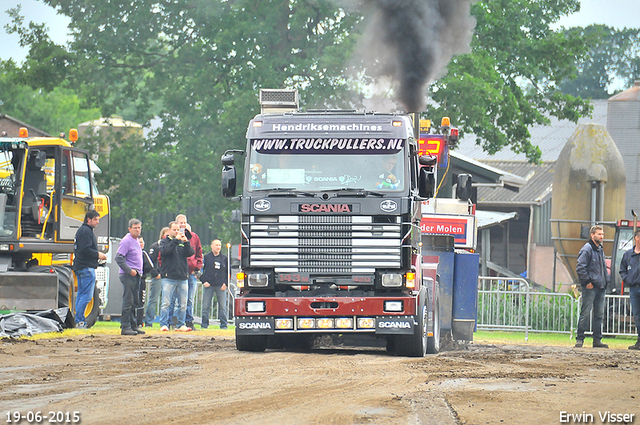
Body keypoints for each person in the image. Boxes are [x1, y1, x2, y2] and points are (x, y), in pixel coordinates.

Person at [575, 225, 610, 348]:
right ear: (592, 235)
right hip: (591, 287)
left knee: (599, 315)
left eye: (602, 234)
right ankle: (580, 339)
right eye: (599, 234)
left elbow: (602, 268)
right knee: (585, 312)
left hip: (601, 286)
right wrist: (587, 282)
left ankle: (597, 340)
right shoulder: (587, 249)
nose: (601, 236)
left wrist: (606, 280)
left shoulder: (600, 249)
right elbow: (580, 267)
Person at [73, 210, 107, 328]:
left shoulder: (82, 231)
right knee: (86, 296)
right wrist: (99, 255)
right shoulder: (86, 231)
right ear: (89, 219)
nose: (98, 222)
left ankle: (78, 320)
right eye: (96, 219)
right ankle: (80, 321)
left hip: (81, 266)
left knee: (81, 294)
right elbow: (85, 249)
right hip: (86, 267)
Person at [159, 221, 194, 332]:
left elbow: (190, 253)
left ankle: (180, 324)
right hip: (168, 277)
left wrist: (186, 242)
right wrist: (175, 241)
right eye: (174, 230)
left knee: (183, 304)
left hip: (182, 277)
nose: (177, 232)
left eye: (178, 229)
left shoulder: (183, 242)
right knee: (166, 303)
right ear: (169, 230)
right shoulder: (164, 241)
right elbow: (165, 251)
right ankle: (164, 324)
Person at [115, 218, 144, 336]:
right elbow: (119, 257)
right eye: (135, 228)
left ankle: (133, 325)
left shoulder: (136, 240)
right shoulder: (126, 241)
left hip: (136, 274)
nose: (137, 230)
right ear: (129, 229)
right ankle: (125, 326)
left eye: (139, 228)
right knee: (128, 301)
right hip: (128, 275)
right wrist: (129, 270)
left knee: (134, 302)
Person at [175, 214, 203, 330]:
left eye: (184, 222)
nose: (182, 225)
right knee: (178, 300)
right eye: (180, 222)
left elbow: (198, 253)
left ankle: (189, 321)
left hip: (191, 273)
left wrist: (197, 267)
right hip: (178, 273)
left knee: (189, 299)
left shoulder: (194, 237)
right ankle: (175, 321)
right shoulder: (173, 237)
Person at [200, 239, 229, 329]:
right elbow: (201, 270)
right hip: (209, 285)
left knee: (223, 306)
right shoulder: (206, 257)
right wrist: (204, 281)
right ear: (212, 246)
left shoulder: (224, 258)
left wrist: (226, 283)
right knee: (206, 306)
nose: (218, 247)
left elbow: (228, 272)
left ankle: (223, 324)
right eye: (216, 245)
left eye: (219, 245)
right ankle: (204, 324)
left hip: (221, 285)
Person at [619, 229, 640, 350]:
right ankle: (639, 340)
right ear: (636, 238)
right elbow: (622, 270)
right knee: (637, 316)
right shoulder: (628, 255)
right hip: (634, 289)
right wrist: (627, 280)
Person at [144, 227, 169, 327]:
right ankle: (149, 322)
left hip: (168, 277)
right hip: (158, 277)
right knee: (153, 299)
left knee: (167, 301)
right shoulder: (155, 246)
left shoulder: (170, 246)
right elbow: (150, 262)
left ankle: (166, 323)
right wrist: (155, 274)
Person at [136, 236, 160, 328]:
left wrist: (156, 273)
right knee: (130, 301)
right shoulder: (131, 254)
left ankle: (139, 322)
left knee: (141, 302)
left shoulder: (144, 254)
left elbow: (151, 266)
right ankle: (128, 321)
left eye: (143, 242)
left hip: (141, 280)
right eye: (140, 242)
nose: (142, 244)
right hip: (131, 280)